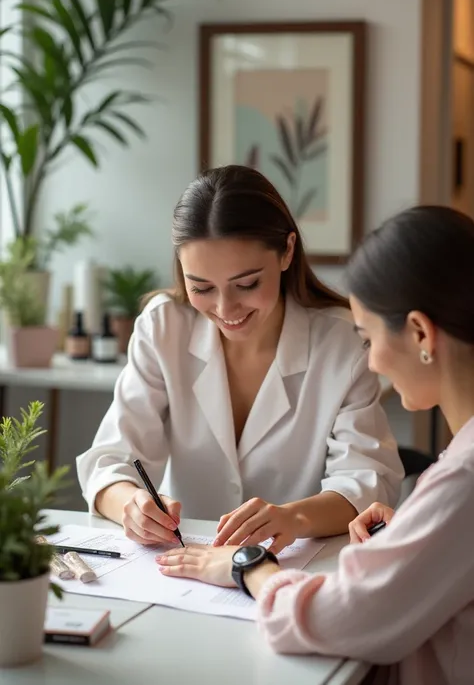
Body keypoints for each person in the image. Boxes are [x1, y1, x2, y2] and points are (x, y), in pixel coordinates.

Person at [158, 204, 474, 685]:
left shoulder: (464, 479)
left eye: (367, 339)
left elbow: (338, 618)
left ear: (419, 333)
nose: (369, 364)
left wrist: (249, 566)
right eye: (202, 287)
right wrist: (415, 533)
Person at [77, 165, 402, 551]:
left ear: (287, 251)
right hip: (183, 562)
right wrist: (131, 506)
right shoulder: (164, 325)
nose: (225, 308)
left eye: (246, 284)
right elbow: (110, 459)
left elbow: (366, 479)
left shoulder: (344, 340)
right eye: (201, 287)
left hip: (293, 566)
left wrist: (292, 517)